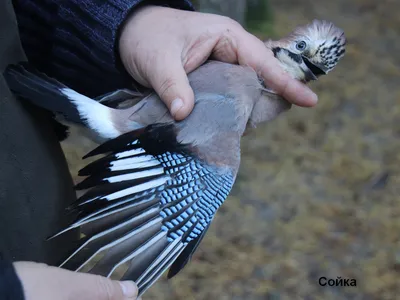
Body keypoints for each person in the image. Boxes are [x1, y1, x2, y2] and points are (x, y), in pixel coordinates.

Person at [0, 1, 318, 299]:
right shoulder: (225, 140)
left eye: (312, 69)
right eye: (301, 49)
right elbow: (179, 205)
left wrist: (129, 24)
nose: (299, 65)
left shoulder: (232, 69)